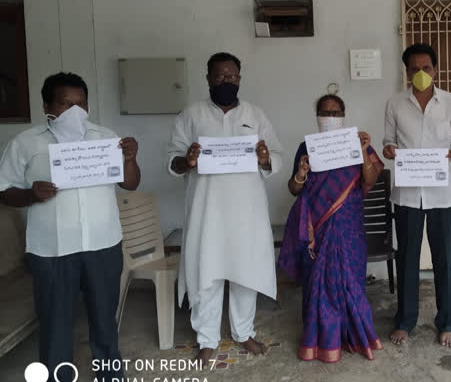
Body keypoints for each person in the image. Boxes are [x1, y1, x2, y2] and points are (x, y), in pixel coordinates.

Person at [0, 72, 140, 382]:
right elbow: (4, 190)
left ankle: (110, 375)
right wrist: (30, 194)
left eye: (81, 104)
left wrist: (130, 159)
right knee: (55, 324)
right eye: (66, 104)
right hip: (52, 250)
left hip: (103, 245)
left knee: (104, 320)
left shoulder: (105, 138)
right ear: (47, 105)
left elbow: (130, 183)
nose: (75, 111)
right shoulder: (25, 143)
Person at [168, 52, 283, 364]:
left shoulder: (255, 114)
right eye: (219, 76)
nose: (226, 81)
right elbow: (173, 161)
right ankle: (207, 338)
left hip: (247, 212)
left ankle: (243, 332)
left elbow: (276, 155)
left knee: (245, 271)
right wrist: (187, 160)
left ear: (240, 79)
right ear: (208, 78)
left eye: (232, 76)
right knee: (207, 272)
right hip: (207, 212)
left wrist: (264, 158)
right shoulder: (191, 115)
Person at [278, 94, 384, 362]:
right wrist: (301, 174)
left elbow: (370, 179)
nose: (331, 117)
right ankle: (321, 342)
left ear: (344, 116)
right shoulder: (307, 146)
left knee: (352, 283)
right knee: (318, 284)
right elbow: (294, 189)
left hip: (349, 227)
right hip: (318, 227)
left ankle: (355, 337)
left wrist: (362, 153)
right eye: (326, 113)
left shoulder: (357, 143)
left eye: (336, 113)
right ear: (317, 116)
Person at [384, 43, 451, 348]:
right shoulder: (395, 104)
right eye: (414, 69)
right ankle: (406, 320)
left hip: (441, 194)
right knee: (407, 258)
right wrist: (388, 149)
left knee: (443, 259)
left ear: (436, 69)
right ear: (407, 72)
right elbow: (388, 141)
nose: (421, 73)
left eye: (426, 68)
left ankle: (447, 321)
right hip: (407, 194)